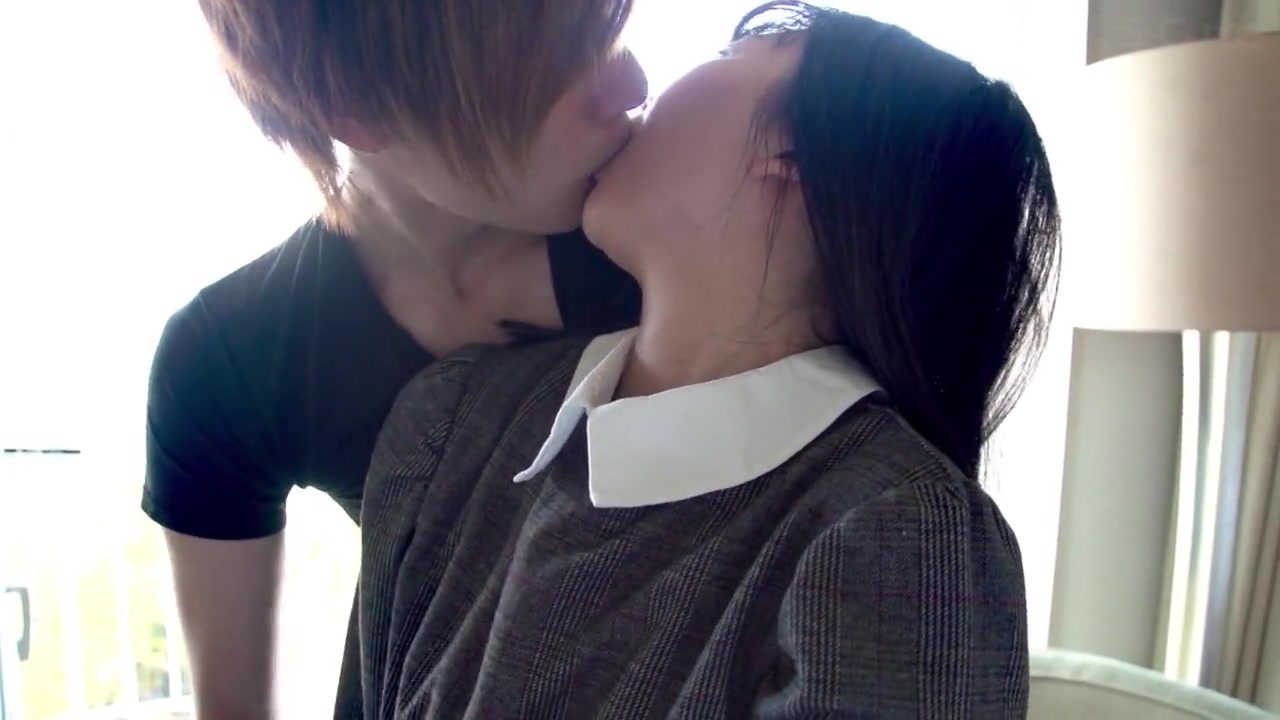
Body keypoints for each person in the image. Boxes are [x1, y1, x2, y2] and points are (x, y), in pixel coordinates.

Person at [357, 2, 1062, 717]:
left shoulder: (902, 532)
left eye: (732, 54)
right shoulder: (449, 419)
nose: (635, 89)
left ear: (790, 157)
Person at [142, 0, 647, 717]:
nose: (632, 85)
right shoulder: (229, 360)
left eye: (613, 32)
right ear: (353, 103)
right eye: (561, 60)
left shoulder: (688, 235)